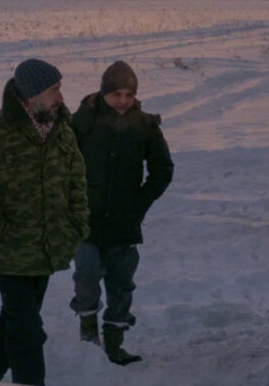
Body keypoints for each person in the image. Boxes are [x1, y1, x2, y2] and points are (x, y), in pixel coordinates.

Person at [0, 59, 89, 386]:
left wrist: (77, 225)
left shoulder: (61, 132)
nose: (60, 97)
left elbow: (77, 182)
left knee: (14, 322)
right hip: (8, 250)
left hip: (46, 247)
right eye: (54, 90)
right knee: (27, 330)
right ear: (31, 95)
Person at [69, 61, 173, 365]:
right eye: (117, 94)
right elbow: (62, 166)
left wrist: (139, 203)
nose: (123, 100)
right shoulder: (82, 122)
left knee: (121, 283)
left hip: (124, 223)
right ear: (104, 93)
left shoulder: (145, 126)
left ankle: (114, 343)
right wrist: (73, 201)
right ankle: (88, 333)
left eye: (129, 94)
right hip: (86, 219)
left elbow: (162, 170)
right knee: (86, 276)